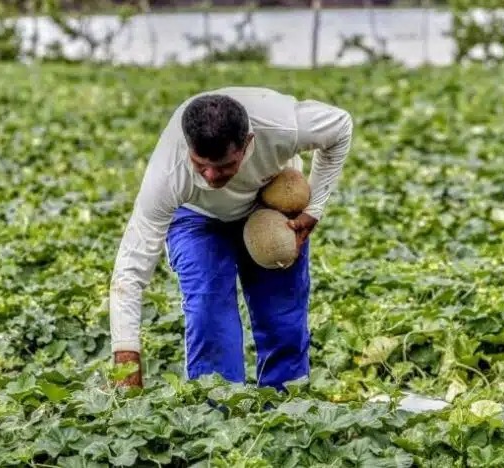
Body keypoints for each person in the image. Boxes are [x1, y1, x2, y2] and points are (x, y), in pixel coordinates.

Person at [108, 86, 353, 391]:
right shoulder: (168, 173)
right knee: (208, 308)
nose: (211, 177)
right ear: (188, 148)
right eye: (201, 165)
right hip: (196, 216)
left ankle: (288, 411)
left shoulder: (282, 126)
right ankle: (216, 412)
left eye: (224, 165)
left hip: (267, 206)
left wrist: (314, 208)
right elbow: (132, 266)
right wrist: (126, 356)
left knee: (282, 318)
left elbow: (341, 126)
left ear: (248, 143)